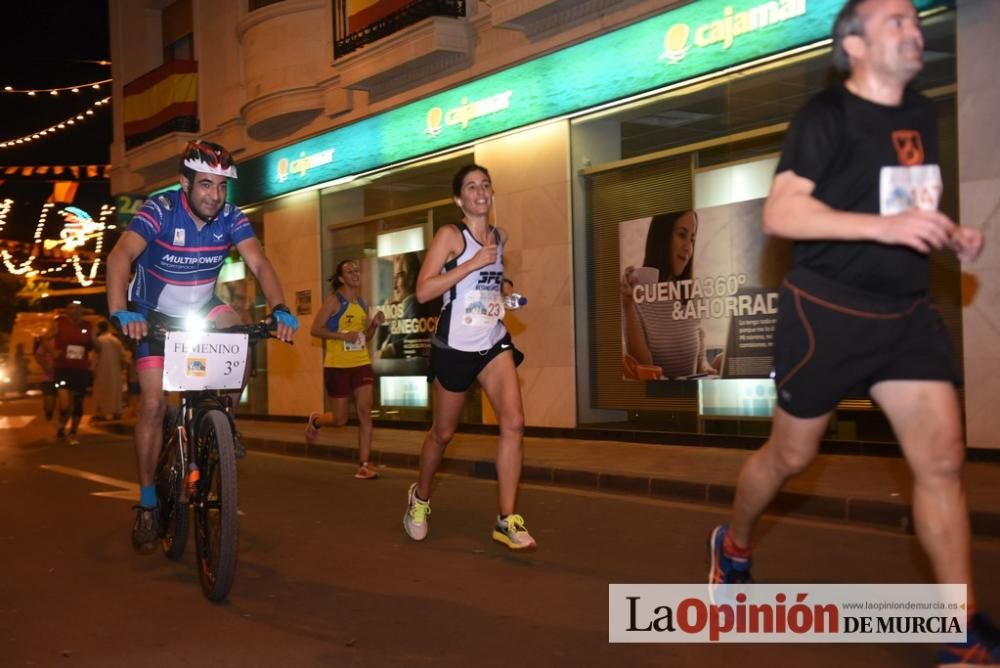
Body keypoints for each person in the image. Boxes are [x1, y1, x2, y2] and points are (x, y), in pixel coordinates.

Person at [706, 1, 998, 663]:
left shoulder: (918, 113)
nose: (913, 29)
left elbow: (907, 205)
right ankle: (734, 544)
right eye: (894, 20)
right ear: (854, 43)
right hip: (827, 313)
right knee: (791, 458)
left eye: (914, 19)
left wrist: (950, 234)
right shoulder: (826, 116)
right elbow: (782, 212)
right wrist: (883, 229)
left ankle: (958, 630)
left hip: (905, 314)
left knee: (944, 461)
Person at [106, 140, 298, 554]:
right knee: (155, 405)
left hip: (202, 306)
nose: (215, 195)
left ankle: (226, 417)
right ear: (185, 183)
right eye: (206, 185)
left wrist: (280, 307)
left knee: (238, 330)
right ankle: (147, 502)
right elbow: (120, 256)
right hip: (152, 313)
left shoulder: (231, 218)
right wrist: (121, 311)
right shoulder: (159, 210)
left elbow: (260, 263)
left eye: (222, 186)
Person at [402, 164, 536, 551]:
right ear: (459, 198)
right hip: (455, 347)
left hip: (492, 342)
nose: (480, 191)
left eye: (485, 185)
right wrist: (471, 264)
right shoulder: (450, 236)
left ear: (492, 193)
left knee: (514, 422)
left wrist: (505, 291)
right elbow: (424, 291)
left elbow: (494, 279)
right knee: (443, 434)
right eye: (471, 187)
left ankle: (506, 518)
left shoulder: (500, 236)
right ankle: (420, 499)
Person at [304, 259, 385, 480]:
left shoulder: (361, 302)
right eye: (349, 271)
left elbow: (364, 338)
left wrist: (374, 325)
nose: (355, 273)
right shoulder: (334, 301)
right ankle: (316, 421)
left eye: (356, 270)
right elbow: (315, 330)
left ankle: (364, 464)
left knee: (365, 412)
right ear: (341, 278)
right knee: (340, 419)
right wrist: (342, 336)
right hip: (337, 365)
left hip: (360, 362)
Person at [620, 211, 720, 379]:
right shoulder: (636, 294)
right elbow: (643, 367)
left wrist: (711, 366)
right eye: (682, 235)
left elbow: (699, 363)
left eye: (692, 239)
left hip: (691, 399)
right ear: (662, 237)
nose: (688, 247)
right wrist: (627, 304)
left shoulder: (692, 295)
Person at [48, 301, 95, 445]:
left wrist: (100, 345)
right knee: (65, 404)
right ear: (67, 311)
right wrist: (52, 351)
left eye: (78, 308)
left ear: (82, 311)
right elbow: (44, 338)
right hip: (63, 368)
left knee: (78, 402)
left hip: (80, 369)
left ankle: (72, 430)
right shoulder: (59, 323)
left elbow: (94, 344)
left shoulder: (88, 326)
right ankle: (62, 424)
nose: (75, 310)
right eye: (72, 308)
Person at [91, 321, 125, 421]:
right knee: (116, 391)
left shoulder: (99, 340)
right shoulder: (116, 340)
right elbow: (123, 356)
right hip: (115, 370)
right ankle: (117, 412)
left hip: (101, 369)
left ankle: (102, 413)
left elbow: (95, 357)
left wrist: (93, 368)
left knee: (102, 390)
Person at [33, 334, 57, 421]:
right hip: (48, 376)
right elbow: (38, 355)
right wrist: (45, 366)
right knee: (49, 401)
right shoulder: (47, 342)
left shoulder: (67, 340)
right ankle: (48, 411)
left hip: (64, 375)